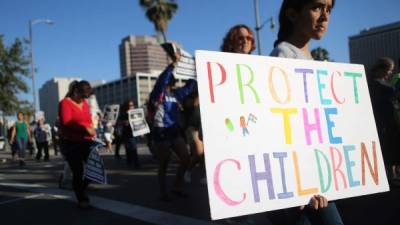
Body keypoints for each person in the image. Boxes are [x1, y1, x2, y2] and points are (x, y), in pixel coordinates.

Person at [269, 0, 344, 224]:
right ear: (292, 14)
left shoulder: (310, 59)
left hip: (315, 174)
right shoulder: (283, 54)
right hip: (300, 182)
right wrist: (296, 185)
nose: (325, 16)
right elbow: (283, 124)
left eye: (329, 9)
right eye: (317, 7)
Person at [150, 47, 196, 201]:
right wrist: (172, 65)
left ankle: (176, 186)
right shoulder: (158, 93)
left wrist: (195, 71)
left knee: (186, 159)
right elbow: (162, 79)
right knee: (164, 162)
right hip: (161, 131)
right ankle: (163, 192)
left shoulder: (176, 94)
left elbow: (190, 86)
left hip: (174, 131)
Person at [58, 80, 96, 209]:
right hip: (71, 142)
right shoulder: (65, 103)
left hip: (86, 141)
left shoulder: (84, 103)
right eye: (83, 96)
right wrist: (85, 129)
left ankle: (80, 187)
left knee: (94, 169)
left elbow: (88, 119)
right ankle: (81, 198)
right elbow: (67, 122)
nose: (84, 100)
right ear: (75, 92)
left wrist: (91, 127)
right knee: (78, 171)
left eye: (86, 97)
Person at [368, 57, 398, 181]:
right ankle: (391, 176)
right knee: (388, 147)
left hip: (387, 119)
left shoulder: (378, 82)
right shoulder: (376, 84)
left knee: (391, 146)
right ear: (381, 69)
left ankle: (393, 174)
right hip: (383, 120)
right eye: (389, 70)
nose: (390, 73)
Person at [117, 100, 140, 168]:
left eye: (132, 105)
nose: (132, 107)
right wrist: (124, 122)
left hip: (135, 132)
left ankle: (130, 162)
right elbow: (119, 122)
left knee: (130, 148)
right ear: (127, 106)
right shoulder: (123, 114)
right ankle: (136, 163)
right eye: (130, 105)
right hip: (127, 133)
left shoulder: (135, 112)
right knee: (133, 148)